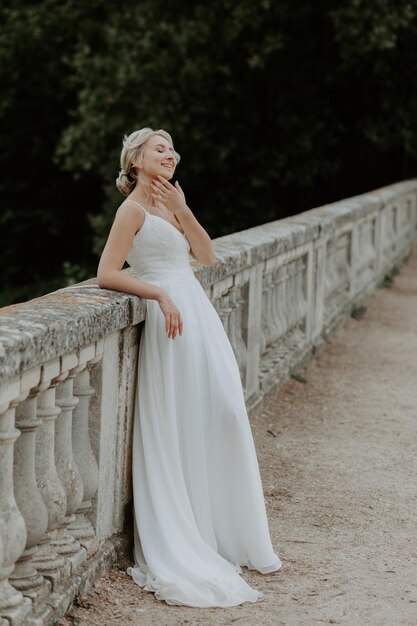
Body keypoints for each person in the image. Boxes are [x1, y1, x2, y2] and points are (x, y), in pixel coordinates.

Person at [97, 127, 282, 608]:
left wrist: (182, 210)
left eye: (174, 148)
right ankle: (184, 535)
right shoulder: (132, 210)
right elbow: (107, 273)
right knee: (180, 422)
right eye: (161, 148)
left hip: (199, 318)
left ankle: (219, 527)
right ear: (136, 159)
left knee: (220, 411)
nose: (172, 154)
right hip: (171, 322)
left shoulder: (169, 207)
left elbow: (205, 255)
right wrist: (157, 292)